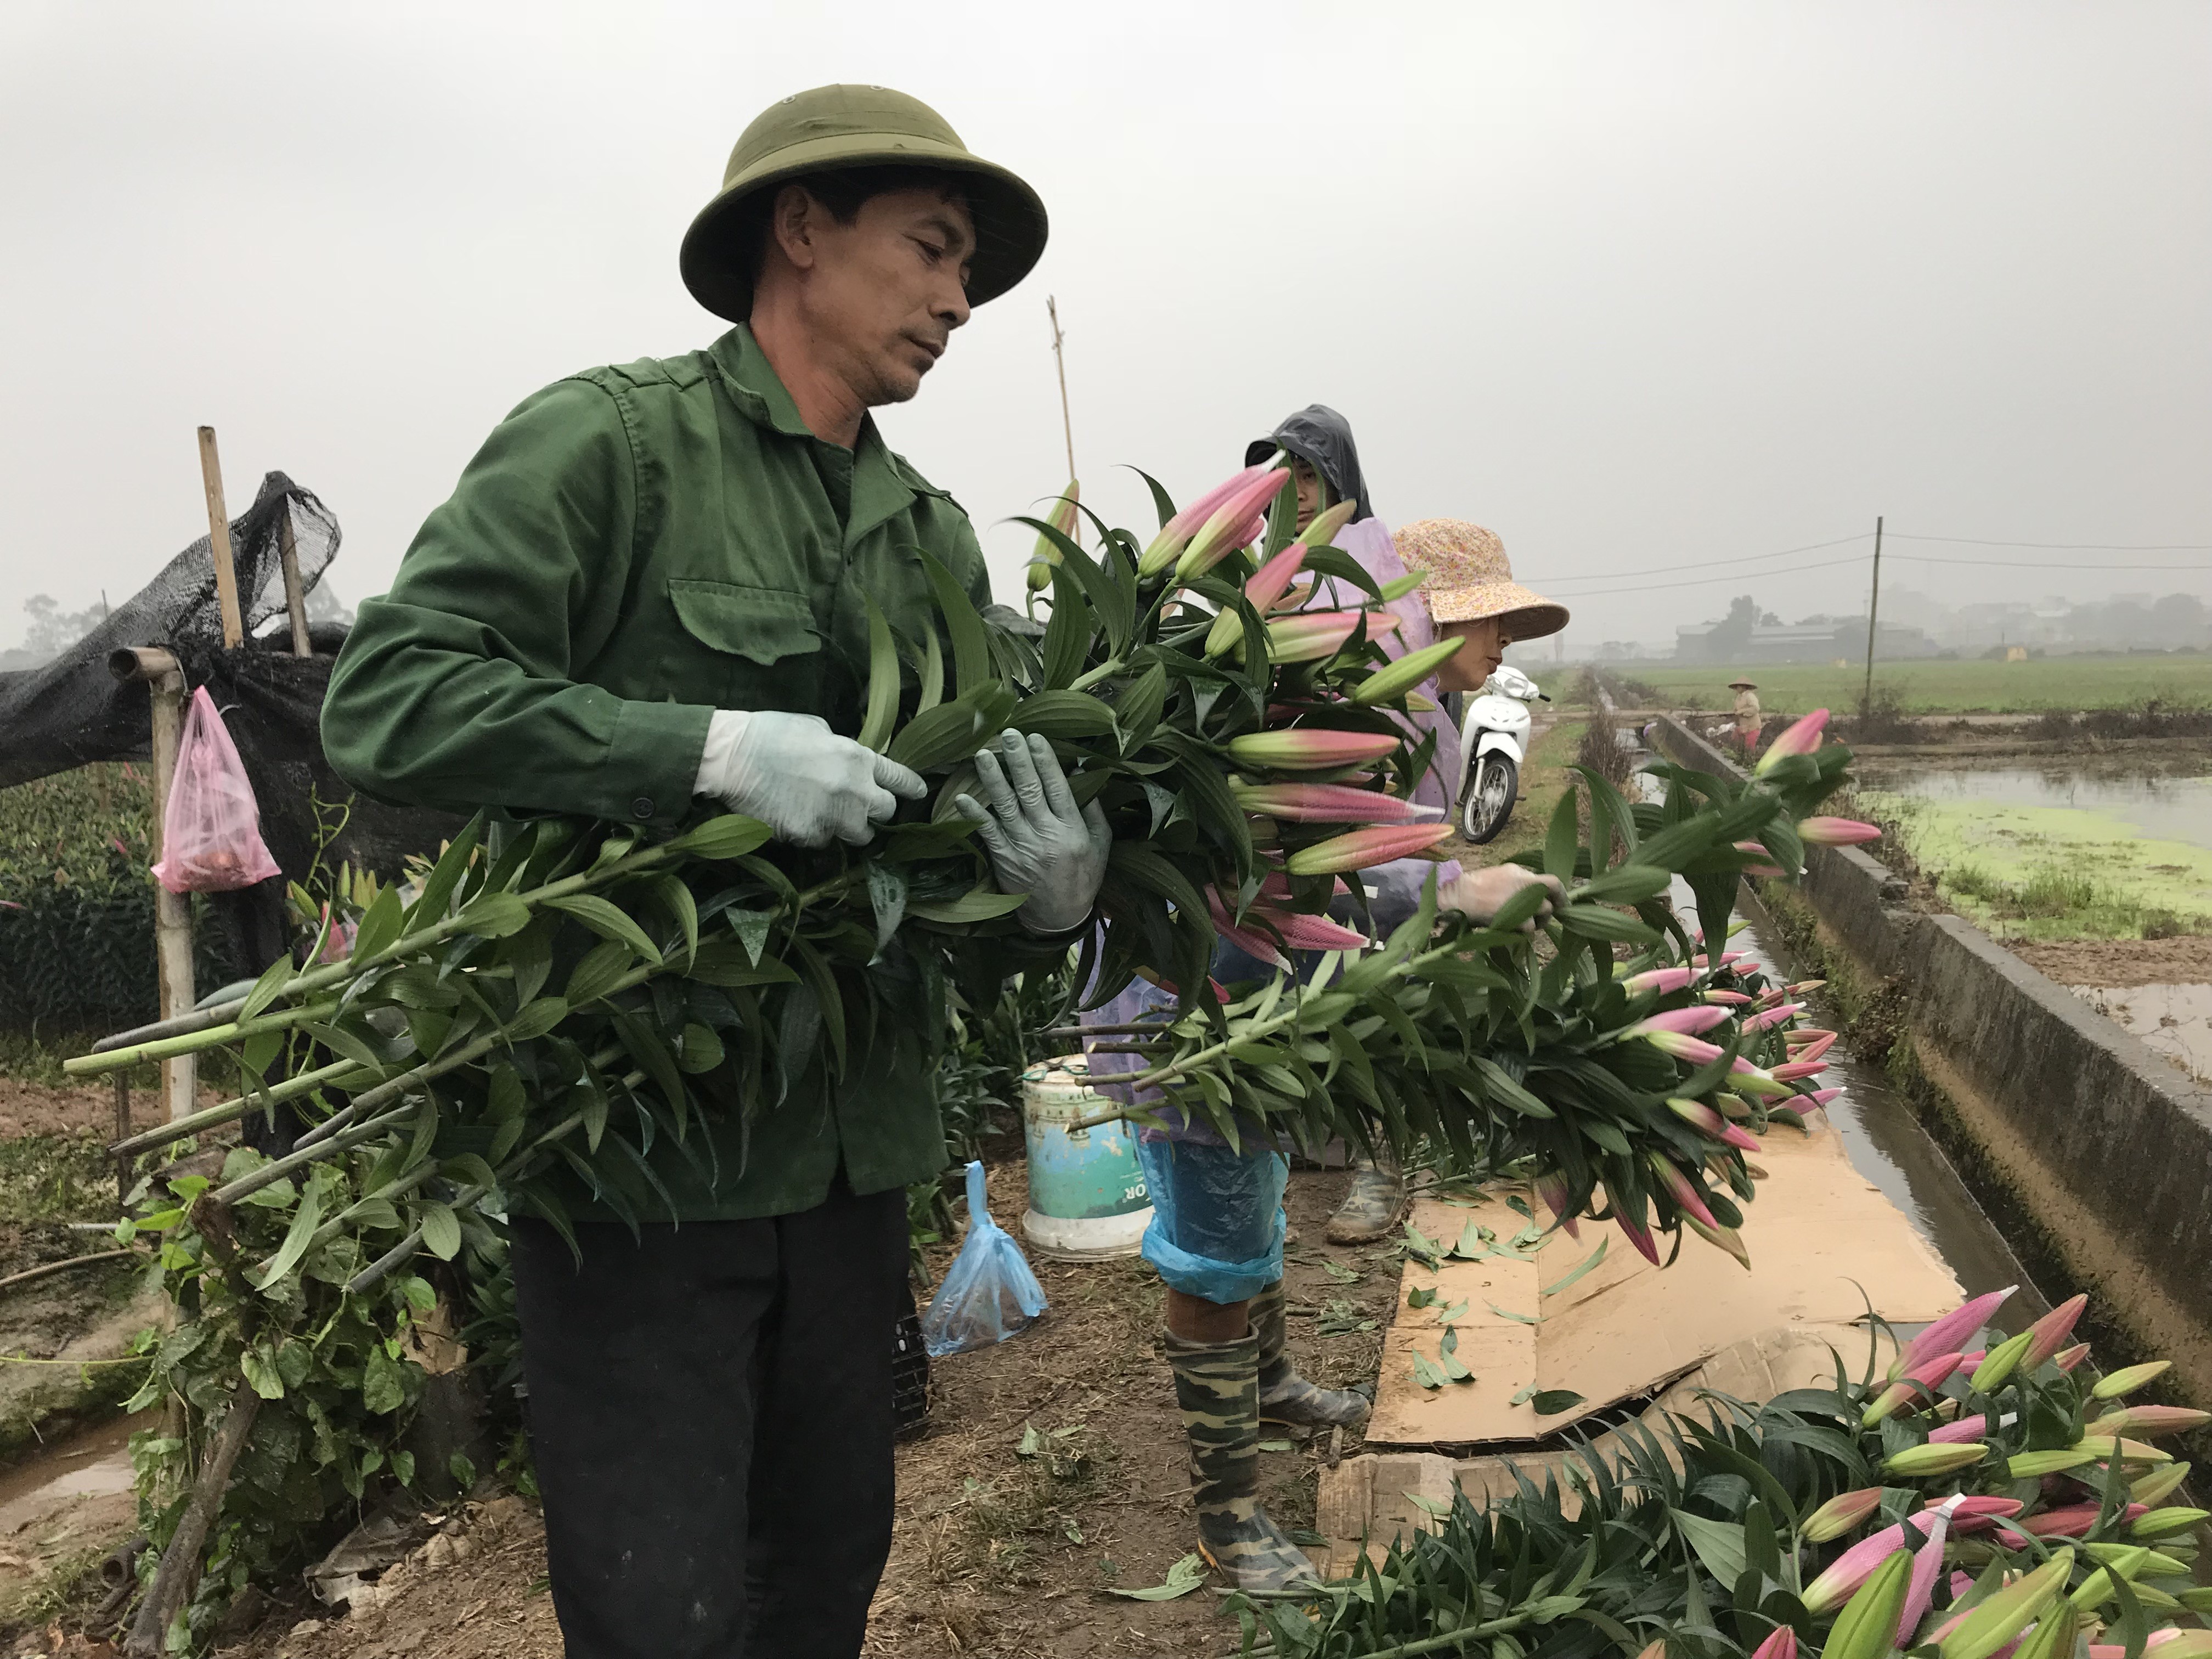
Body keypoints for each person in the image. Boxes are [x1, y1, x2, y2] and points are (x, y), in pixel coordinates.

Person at [321, 86, 1105, 1659]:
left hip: (849, 1166)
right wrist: (706, 748)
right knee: (656, 1609)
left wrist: (1049, 910)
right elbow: (386, 700)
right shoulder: (613, 446)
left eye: (970, 272)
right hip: (642, 1161)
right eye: (934, 250)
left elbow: (931, 879)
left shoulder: (930, 536)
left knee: (818, 1584)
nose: (961, 301)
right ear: (800, 230)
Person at [1083, 421, 1568, 1594]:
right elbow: (1286, 873)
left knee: (1252, 1215)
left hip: (1277, 1013)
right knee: (1216, 1255)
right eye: (1488, 618)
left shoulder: (1429, 718)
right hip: (1199, 1019)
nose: (1499, 641)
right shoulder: (1321, 698)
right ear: (1426, 616)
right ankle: (1228, 1515)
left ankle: (1272, 1385)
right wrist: (1454, 892)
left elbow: (1419, 843)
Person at [1731, 679, 1763, 757]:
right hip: (1743, 726)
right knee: (1735, 741)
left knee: (1750, 749)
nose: (1737, 689)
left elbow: (1756, 708)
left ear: (1744, 687)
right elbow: (1736, 709)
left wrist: (1742, 712)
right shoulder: (1739, 697)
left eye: (1738, 687)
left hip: (1752, 727)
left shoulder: (1750, 696)